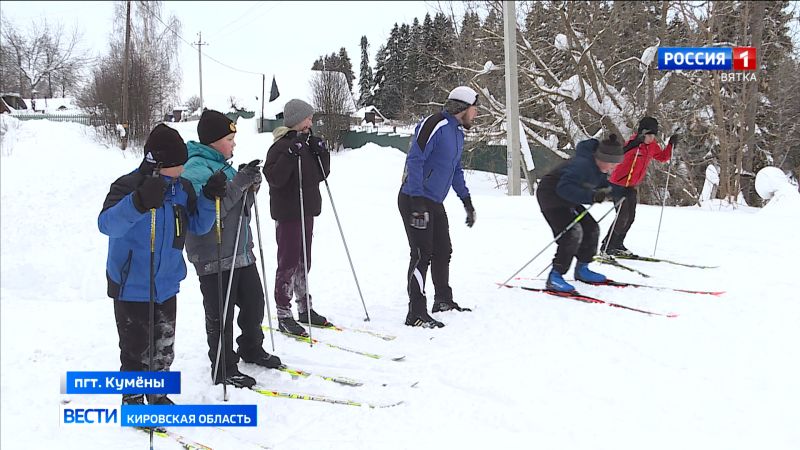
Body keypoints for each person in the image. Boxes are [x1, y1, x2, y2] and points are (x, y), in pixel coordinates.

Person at [98, 124, 220, 405]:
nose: (182, 169)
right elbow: (107, 225)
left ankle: (158, 394)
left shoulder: (182, 188)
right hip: (131, 285)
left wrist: (208, 198)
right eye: (177, 165)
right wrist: (138, 203)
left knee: (164, 347)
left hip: (167, 282)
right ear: (159, 163)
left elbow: (200, 226)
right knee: (135, 349)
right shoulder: (127, 185)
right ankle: (133, 399)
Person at [183, 110, 282, 390]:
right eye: (229, 138)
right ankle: (222, 365)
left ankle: (251, 347)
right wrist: (239, 185)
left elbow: (239, 209)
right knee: (220, 314)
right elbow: (211, 214)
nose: (234, 144)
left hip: (239, 250)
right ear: (213, 141)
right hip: (213, 254)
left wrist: (251, 186)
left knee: (254, 303)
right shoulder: (195, 170)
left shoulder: (224, 166)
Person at [397, 86, 479, 329]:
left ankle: (443, 299)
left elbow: (455, 171)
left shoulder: (457, 134)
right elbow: (415, 159)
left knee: (443, 250)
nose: (476, 115)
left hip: (434, 201)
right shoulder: (436, 124)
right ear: (462, 108)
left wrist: (466, 201)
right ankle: (416, 313)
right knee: (422, 253)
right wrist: (417, 201)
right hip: (415, 198)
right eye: (474, 109)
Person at [263, 99, 332, 338]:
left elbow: (322, 174)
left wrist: (321, 151)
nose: (311, 122)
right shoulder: (280, 147)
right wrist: (292, 153)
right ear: (296, 120)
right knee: (289, 261)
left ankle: (305, 307)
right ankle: (283, 313)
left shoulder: (307, 144)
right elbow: (274, 177)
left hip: (307, 209)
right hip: (288, 212)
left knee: (304, 260)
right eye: (308, 118)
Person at [536, 134, 624, 293]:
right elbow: (563, 189)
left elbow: (604, 185)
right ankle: (555, 276)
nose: (613, 168)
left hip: (569, 198)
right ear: (602, 158)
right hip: (551, 197)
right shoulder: (582, 165)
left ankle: (582, 269)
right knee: (572, 233)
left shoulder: (598, 168)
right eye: (612, 164)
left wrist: (621, 191)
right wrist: (591, 196)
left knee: (591, 228)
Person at [601, 117, 677, 256]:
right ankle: (607, 246)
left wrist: (671, 145)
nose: (651, 138)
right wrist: (634, 145)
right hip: (618, 184)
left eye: (653, 135)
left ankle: (618, 244)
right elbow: (620, 154)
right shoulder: (633, 143)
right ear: (642, 133)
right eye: (648, 135)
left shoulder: (652, 146)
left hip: (631, 186)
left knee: (630, 217)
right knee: (622, 216)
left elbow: (662, 157)